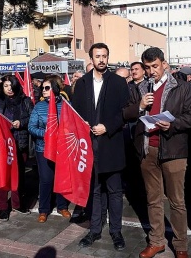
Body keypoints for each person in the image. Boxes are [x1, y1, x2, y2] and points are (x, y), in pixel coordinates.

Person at [124, 47, 191, 258]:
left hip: (174, 150)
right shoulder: (139, 88)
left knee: (177, 201)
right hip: (148, 150)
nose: (151, 72)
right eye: (147, 68)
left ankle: (181, 245)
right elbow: (127, 113)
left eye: (154, 66)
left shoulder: (181, 88)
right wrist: (139, 106)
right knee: (153, 199)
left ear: (164, 64)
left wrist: (172, 125)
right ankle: (156, 241)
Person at [72, 43, 130, 251]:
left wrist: (108, 127)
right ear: (91, 58)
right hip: (89, 146)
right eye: (98, 56)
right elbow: (75, 112)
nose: (102, 60)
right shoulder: (82, 83)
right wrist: (82, 123)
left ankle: (116, 231)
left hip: (111, 143)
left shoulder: (118, 82)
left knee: (114, 191)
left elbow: (126, 112)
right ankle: (95, 229)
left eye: (105, 56)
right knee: (94, 191)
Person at [0, 75, 33, 220]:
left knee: (18, 174)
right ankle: (3, 207)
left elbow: (31, 117)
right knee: (0, 175)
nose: (9, 89)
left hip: (18, 142)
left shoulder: (25, 100)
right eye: (6, 86)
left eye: (11, 85)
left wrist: (21, 123)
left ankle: (17, 203)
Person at [28, 78, 71, 223]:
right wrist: (46, 134)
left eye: (47, 88)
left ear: (55, 89)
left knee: (62, 177)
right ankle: (44, 209)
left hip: (63, 148)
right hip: (43, 148)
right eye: (43, 88)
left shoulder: (66, 105)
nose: (44, 91)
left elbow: (72, 123)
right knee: (46, 179)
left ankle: (62, 206)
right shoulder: (38, 107)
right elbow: (31, 127)